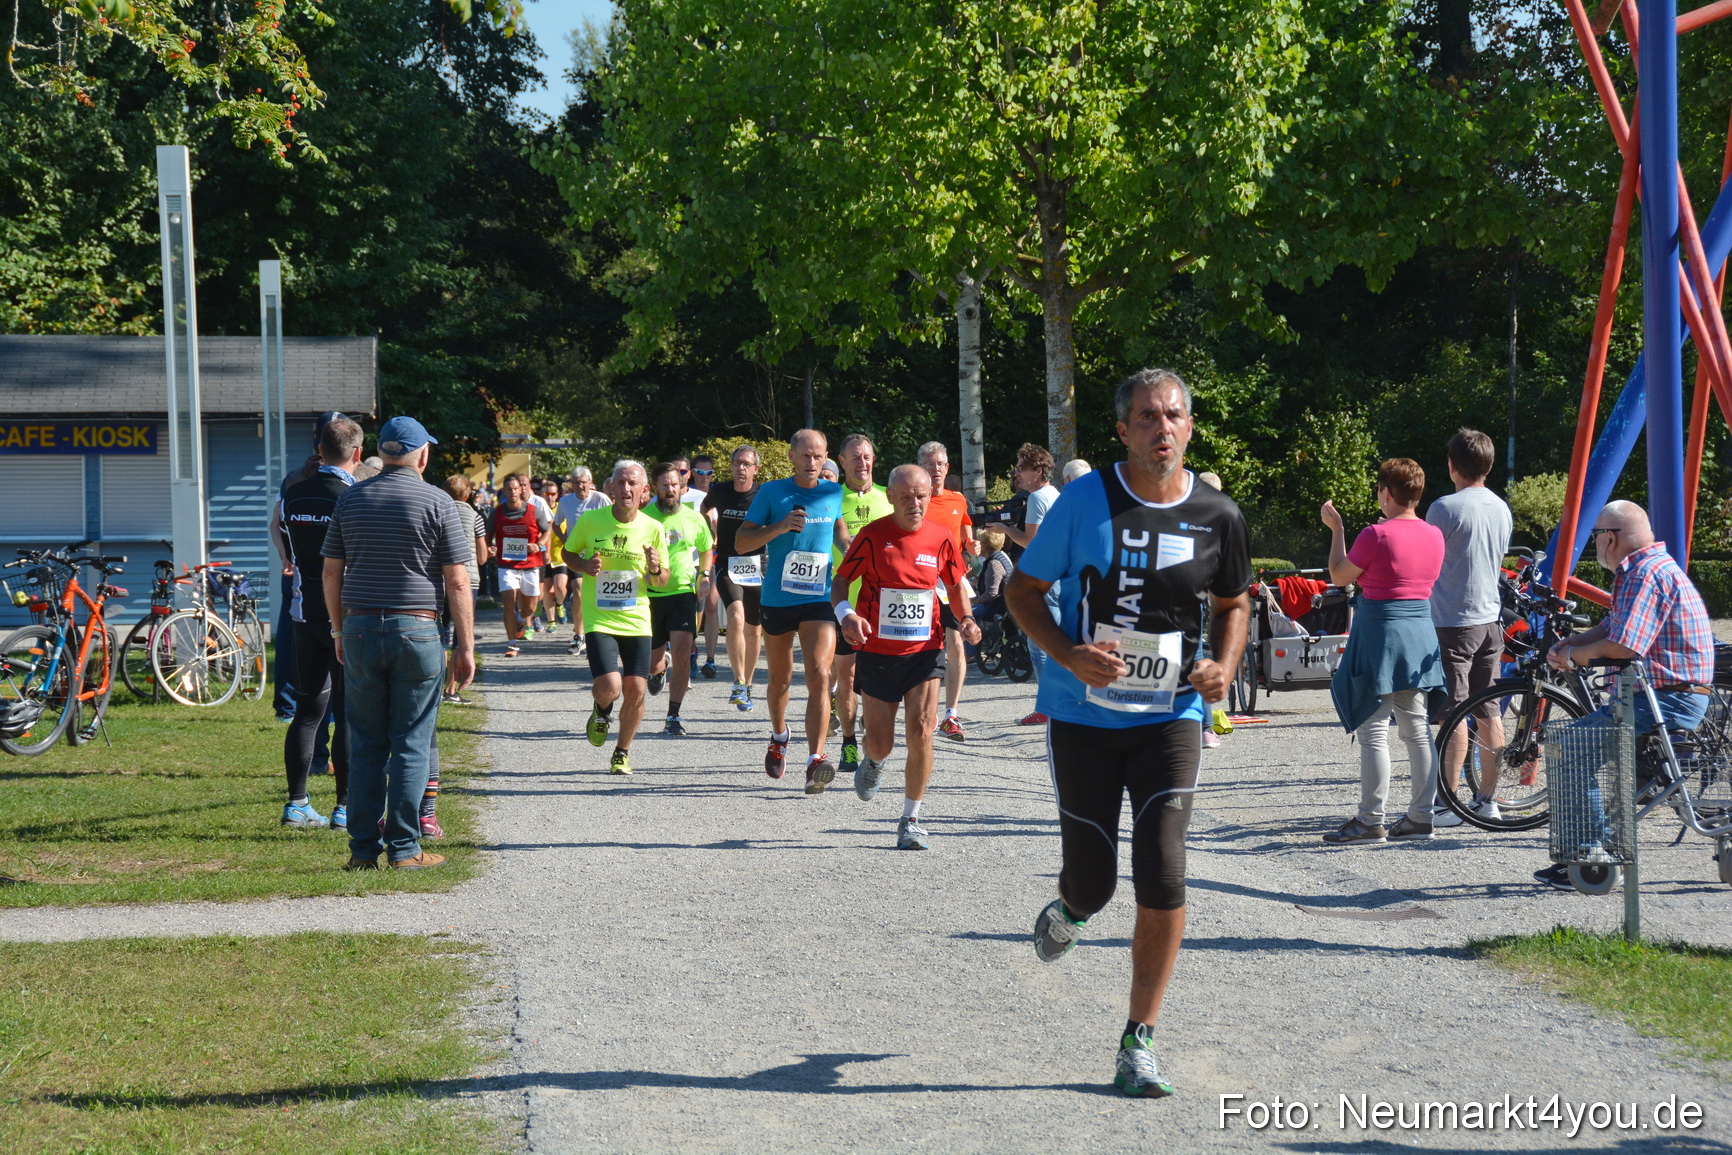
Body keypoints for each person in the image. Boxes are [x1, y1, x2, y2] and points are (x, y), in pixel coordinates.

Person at [1007, 368, 1250, 1099]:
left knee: (1165, 868)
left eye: (1174, 415)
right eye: (1146, 417)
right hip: (1083, 716)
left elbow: (1234, 603)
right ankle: (1072, 906)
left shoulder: (1218, 515)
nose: (1162, 427)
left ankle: (1138, 1039)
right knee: (1097, 880)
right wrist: (1070, 653)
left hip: (1170, 717)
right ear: (1123, 430)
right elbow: (1021, 592)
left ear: (1190, 426)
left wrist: (1222, 667)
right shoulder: (1085, 500)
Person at [322, 415, 474, 871]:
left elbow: (331, 571)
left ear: (382, 453)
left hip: (360, 627)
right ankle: (406, 849)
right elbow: (458, 581)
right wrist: (465, 646)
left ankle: (362, 851)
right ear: (422, 456)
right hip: (417, 629)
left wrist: (337, 630)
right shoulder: (439, 502)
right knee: (411, 742)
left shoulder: (350, 499)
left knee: (366, 742)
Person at [1537, 500, 1714, 886]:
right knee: (1583, 748)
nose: (1596, 542)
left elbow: (1626, 646)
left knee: (1567, 748)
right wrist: (1576, 641)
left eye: (1598, 534)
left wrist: (1575, 657)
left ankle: (1592, 851)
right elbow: (1613, 625)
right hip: (1673, 695)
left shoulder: (1642, 574)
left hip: (1666, 699)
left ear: (1611, 538)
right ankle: (1589, 845)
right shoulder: (1650, 567)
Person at [833, 464, 980, 848]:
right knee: (881, 742)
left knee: (921, 730)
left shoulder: (941, 537)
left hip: (924, 650)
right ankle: (874, 761)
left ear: (929, 496)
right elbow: (841, 581)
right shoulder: (872, 536)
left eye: (920, 496)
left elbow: (955, 583)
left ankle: (910, 818)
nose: (914, 503)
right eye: (906, 497)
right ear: (892, 498)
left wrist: (966, 618)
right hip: (879, 651)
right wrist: (846, 614)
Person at [1321, 458, 1446, 845]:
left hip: (1380, 631)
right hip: (1420, 630)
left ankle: (1370, 820)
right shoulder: (1435, 535)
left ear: (1386, 493)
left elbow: (1339, 576)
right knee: (1416, 727)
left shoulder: (1375, 534)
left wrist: (1337, 529)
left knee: (1374, 727)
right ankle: (1420, 816)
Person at [736, 430, 847, 791]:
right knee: (780, 679)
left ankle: (816, 758)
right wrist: (780, 526)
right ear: (791, 456)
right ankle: (779, 736)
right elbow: (741, 541)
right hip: (778, 599)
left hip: (819, 597)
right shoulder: (771, 492)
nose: (812, 463)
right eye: (805, 456)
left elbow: (841, 537)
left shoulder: (833, 493)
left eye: (818, 456)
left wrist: (864, 556)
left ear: (827, 456)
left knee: (819, 672)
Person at [279, 416, 364, 830]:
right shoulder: (354, 497)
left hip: (302, 609)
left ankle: (297, 803)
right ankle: (345, 808)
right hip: (345, 615)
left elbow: (281, 540)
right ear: (358, 454)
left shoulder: (293, 493)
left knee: (308, 711)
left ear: (319, 450)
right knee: (347, 713)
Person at [1427, 429, 1513, 826]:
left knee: (1453, 713)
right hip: (1490, 619)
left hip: (1451, 621)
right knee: (1489, 711)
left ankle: (1448, 804)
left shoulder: (1444, 508)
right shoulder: (1500, 507)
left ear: (1451, 465)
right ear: (1489, 464)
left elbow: (1427, 564)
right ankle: (1487, 799)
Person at [565, 461, 670, 774]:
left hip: (636, 619)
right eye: (621, 483)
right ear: (610, 488)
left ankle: (622, 752)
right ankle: (602, 708)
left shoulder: (653, 528)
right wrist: (584, 567)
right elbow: (567, 554)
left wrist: (654, 567)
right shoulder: (591, 521)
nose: (626, 489)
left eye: (632, 484)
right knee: (610, 686)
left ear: (643, 491)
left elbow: (661, 580)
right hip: (600, 619)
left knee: (637, 690)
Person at [831, 433, 893, 779]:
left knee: (877, 679)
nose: (862, 463)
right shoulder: (831, 497)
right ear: (842, 461)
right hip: (845, 601)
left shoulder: (889, 496)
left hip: (883, 605)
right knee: (847, 674)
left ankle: (876, 742)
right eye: (855, 457)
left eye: (867, 457)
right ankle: (849, 741)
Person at [915, 441, 979, 740]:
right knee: (921, 649)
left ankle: (951, 715)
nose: (936, 470)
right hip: (917, 582)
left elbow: (966, 531)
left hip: (950, 582)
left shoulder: (957, 500)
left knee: (955, 645)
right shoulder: (914, 500)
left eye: (940, 464)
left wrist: (971, 545)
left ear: (947, 467)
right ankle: (922, 709)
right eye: (929, 464)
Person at [646, 461, 714, 736]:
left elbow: (707, 548)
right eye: (665, 486)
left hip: (683, 593)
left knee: (683, 652)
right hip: (650, 595)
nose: (671, 490)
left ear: (682, 487)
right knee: (652, 660)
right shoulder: (644, 518)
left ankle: (673, 715)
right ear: (655, 489)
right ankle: (658, 671)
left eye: (675, 484)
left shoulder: (693, 517)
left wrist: (704, 574)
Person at [702, 445, 766, 712]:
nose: (740, 468)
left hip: (757, 564)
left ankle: (748, 684)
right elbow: (704, 511)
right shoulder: (719, 491)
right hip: (728, 562)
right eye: (736, 463)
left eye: (745, 464)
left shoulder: (764, 494)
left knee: (753, 629)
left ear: (755, 469)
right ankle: (738, 681)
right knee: (736, 616)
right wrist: (711, 535)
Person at [1007, 443, 1061, 721]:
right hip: (1060, 574)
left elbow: (1030, 541)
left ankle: (1046, 707)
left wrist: (1005, 529)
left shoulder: (1038, 498)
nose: (1018, 473)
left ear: (1037, 471)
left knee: (1038, 642)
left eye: (1021, 468)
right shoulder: (1054, 493)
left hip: (1044, 576)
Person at [441, 475, 489, 706]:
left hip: (440, 579)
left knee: (439, 631)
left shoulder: (439, 512)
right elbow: (482, 557)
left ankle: (435, 685)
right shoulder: (476, 517)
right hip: (467, 581)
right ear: (467, 495)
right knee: (460, 637)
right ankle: (451, 688)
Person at [491, 475, 550, 657]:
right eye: (509, 489)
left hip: (530, 565)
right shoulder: (497, 513)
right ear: (504, 491)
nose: (513, 492)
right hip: (506, 565)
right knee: (508, 602)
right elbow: (487, 535)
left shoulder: (534, 511)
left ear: (521, 490)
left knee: (530, 608)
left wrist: (539, 544)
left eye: (516, 488)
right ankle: (512, 645)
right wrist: (489, 547)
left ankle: (520, 618)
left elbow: (547, 530)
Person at [556, 467, 611, 655]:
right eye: (576, 482)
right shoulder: (565, 502)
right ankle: (579, 636)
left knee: (600, 594)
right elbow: (556, 525)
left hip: (599, 553)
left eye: (584, 482)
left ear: (590, 482)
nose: (580, 486)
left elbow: (613, 520)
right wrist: (566, 541)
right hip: (577, 555)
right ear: (572, 484)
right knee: (579, 592)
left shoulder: (601, 499)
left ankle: (601, 634)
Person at [687, 454, 722, 677]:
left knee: (711, 605)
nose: (705, 477)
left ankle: (710, 659)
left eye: (709, 473)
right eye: (700, 473)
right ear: (692, 473)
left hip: (710, 557)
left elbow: (717, 535)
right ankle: (691, 650)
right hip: (686, 560)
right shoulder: (687, 495)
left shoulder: (715, 496)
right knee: (693, 607)